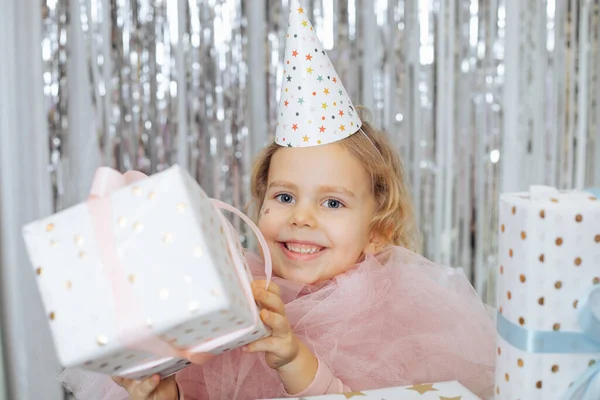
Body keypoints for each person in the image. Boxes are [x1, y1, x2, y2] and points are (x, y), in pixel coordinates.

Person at [60, 1, 496, 399]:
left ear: (378, 230)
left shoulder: (396, 327)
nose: (301, 217)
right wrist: (164, 393)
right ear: (259, 206)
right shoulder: (233, 302)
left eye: (332, 204)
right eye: (285, 196)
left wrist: (293, 359)